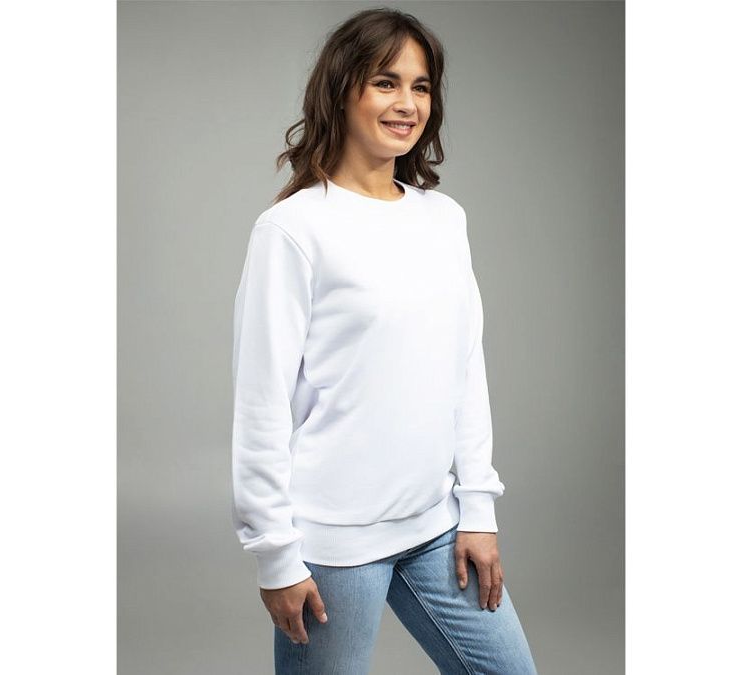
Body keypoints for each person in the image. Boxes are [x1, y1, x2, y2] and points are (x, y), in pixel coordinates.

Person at [231, 8, 538, 674]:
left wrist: (477, 509)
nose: (407, 103)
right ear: (342, 91)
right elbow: (261, 403)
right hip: (333, 544)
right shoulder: (292, 230)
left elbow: (465, 370)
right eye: (385, 82)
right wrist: (275, 553)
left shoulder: (443, 218)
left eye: (421, 86)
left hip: (436, 525)